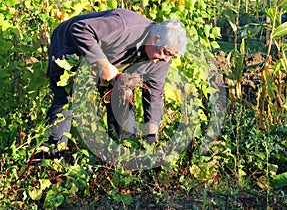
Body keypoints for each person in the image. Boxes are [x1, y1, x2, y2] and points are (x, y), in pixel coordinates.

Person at [45, 8, 187, 157]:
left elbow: (154, 95)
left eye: (172, 56)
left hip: (110, 59)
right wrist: (104, 65)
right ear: (156, 39)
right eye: (166, 53)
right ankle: (52, 155)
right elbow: (80, 29)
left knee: (122, 95)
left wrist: (151, 137)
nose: (166, 59)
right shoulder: (125, 27)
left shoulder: (161, 60)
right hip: (72, 46)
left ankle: (122, 156)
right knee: (68, 98)